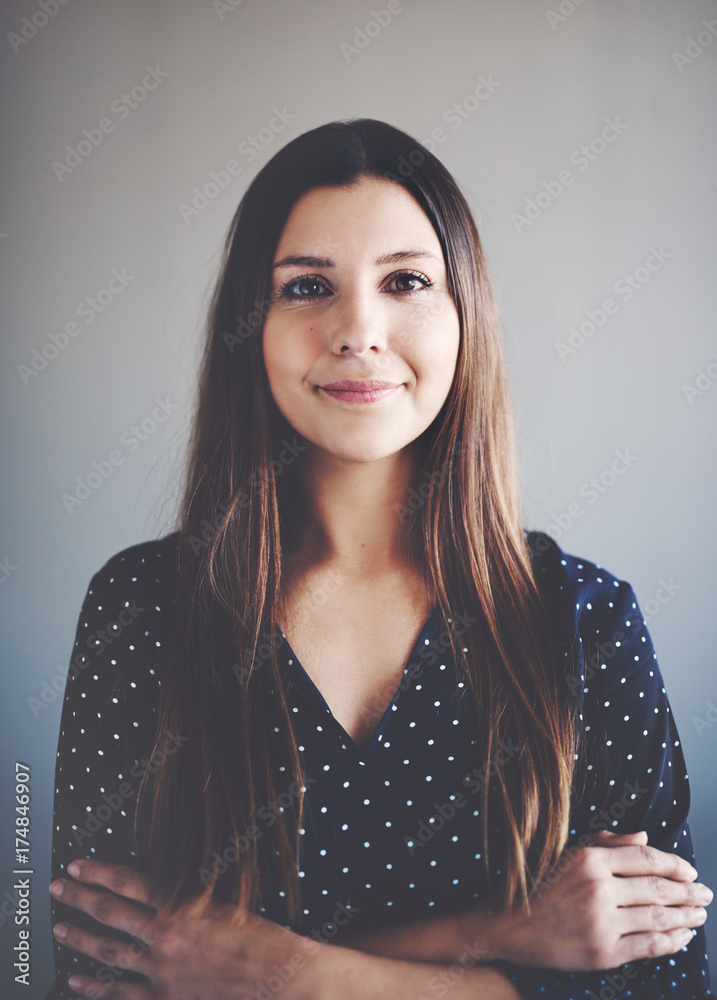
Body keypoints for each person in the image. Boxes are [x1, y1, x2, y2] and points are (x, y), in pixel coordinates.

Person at [46, 118, 712, 999]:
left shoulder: (585, 621)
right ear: (250, 328)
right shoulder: (140, 605)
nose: (358, 329)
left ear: (464, 312)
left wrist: (285, 974)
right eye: (306, 286)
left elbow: (669, 980)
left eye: (405, 281)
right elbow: (80, 958)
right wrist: (500, 943)